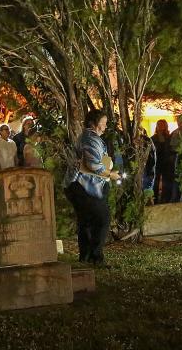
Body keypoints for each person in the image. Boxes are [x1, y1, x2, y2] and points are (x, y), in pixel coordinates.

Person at [63, 109, 119, 267]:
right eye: (103, 122)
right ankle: (96, 257)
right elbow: (94, 165)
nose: (105, 126)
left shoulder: (88, 137)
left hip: (78, 186)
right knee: (103, 218)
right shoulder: (90, 138)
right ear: (94, 123)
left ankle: (86, 257)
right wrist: (111, 175)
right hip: (85, 186)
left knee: (86, 220)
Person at [151, 119, 176, 204]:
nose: (160, 127)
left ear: (165, 126)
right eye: (159, 125)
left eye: (162, 125)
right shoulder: (153, 138)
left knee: (167, 182)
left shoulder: (169, 138)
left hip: (167, 162)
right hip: (157, 162)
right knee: (155, 181)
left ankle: (166, 199)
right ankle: (154, 198)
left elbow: (171, 149)